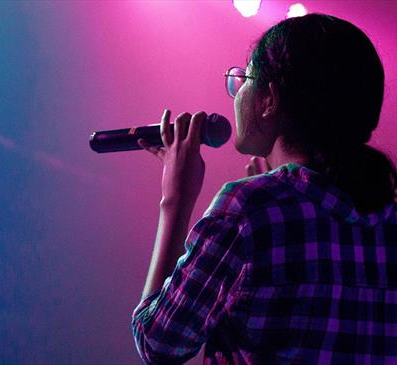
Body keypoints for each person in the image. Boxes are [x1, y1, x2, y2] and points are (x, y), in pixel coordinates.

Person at [131, 13, 397, 364]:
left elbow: (159, 342)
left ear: (269, 100)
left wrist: (176, 200)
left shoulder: (246, 209)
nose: (236, 92)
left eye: (243, 80)